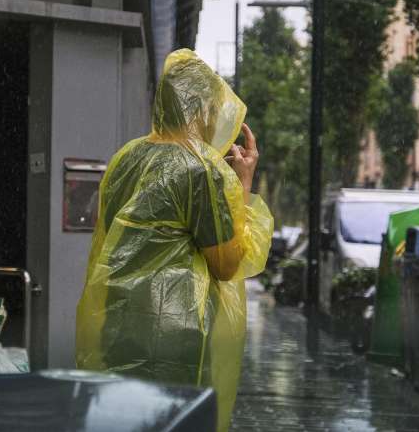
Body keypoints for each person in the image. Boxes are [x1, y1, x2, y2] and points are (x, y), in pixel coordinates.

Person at [75, 48, 273, 432]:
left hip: (116, 323)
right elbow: (227, 264)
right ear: (203, 110)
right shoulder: (199, 169)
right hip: (178, 334)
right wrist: (243, 184)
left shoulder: (125, 159)